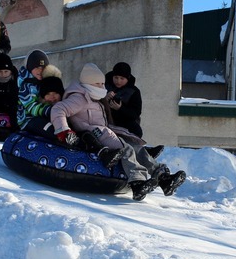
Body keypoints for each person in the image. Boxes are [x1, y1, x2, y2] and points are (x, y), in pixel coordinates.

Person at [50, 63, 185, 201]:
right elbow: (58, 109)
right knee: (126, 149)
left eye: (102, 83)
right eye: (98, 84)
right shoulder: (79, 97)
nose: (101, 87)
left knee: (137, 147)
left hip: (104, 129)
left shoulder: (92, 95)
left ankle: (163, 178)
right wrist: (64, 131)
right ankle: (137, 183)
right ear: (88, 83)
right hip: (94, 134)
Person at [16, 50, 60, 129]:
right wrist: (49, 110)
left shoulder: (46, 81)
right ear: (30, 68)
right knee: (48, 127)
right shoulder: (26, 86)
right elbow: (31, 107)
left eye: (43, 68)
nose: (40, 71)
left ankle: (71, 134)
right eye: (37, 67)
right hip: (28, 119)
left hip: (44, 114)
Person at [105, 62, 143, 138]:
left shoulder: (134, 91)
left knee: (137, 131)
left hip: (124, 122)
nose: (118, 81)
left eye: (122, 78)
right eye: (116, 77)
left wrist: (120, 108)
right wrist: (105, 98)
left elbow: (135, 114)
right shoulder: (104, 85)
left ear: (127, 78)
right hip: (104, 119)